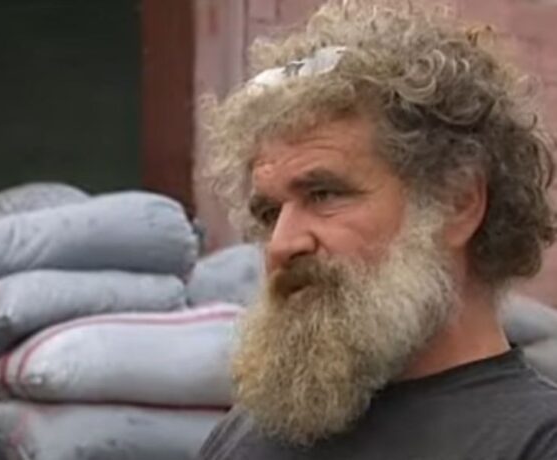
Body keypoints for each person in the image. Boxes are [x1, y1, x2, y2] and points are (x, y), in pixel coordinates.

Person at [196, 0, 557, 458]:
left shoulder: (535, 442)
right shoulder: (246, 438)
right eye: (269, 213)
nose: (282, 244)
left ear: (457, 203)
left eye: (324, 194)